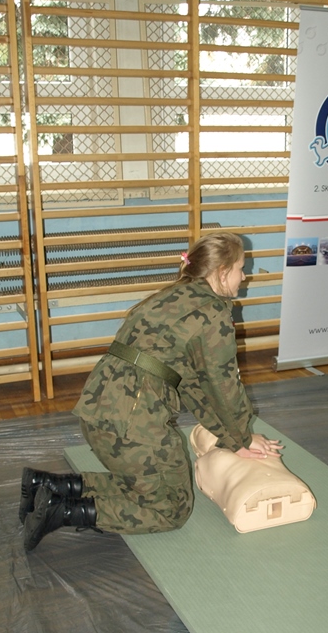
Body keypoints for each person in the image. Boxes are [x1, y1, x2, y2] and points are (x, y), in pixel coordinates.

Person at [20, 231, 281, 550]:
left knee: (148, 483)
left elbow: (193, 385)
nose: (245, 275)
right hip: (134, 423)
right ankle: (61, 510)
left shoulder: (171, 296)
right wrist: (242, 439)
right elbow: (223, 386)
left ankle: (48, 485)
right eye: (242, 268)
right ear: (223, 272)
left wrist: (233, 438)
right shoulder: (213, 312)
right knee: (171, 507)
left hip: (99, 413)